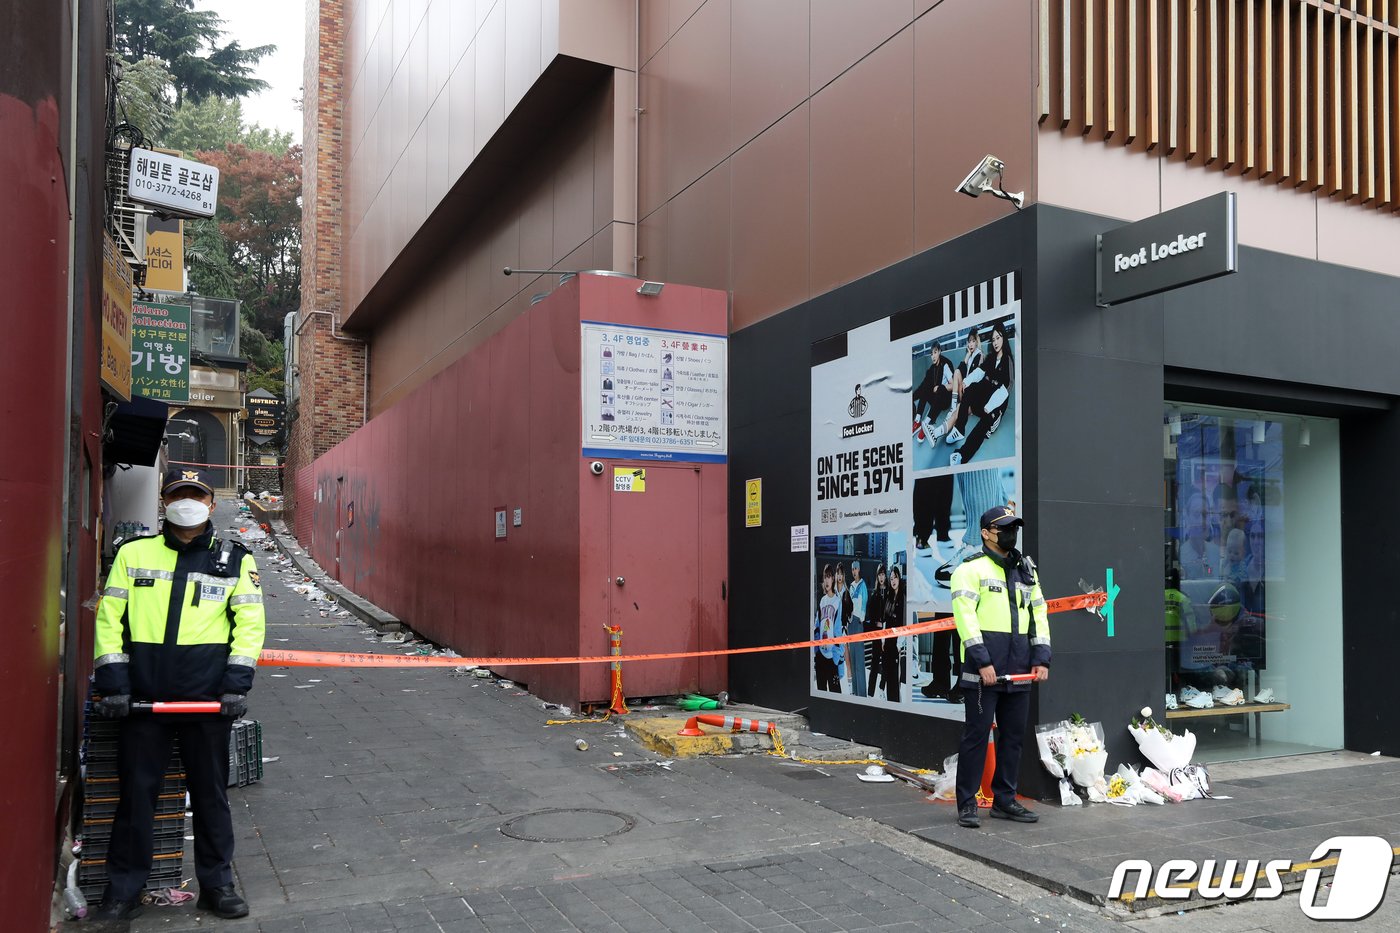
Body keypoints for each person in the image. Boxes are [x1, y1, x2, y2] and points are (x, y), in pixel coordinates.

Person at [90, 468, 266, 921]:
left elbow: (249, 627)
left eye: (195, 495)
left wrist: (234, 687)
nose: (186, 502)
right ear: (165, 502)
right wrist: (114, 685)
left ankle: (217, 884)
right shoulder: (133, 554)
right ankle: (124, 889)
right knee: (136, 798)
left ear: (210, 504)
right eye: (178, 494)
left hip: (207, 704)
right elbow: (109, 620)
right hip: (142, 702)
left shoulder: (234, 559)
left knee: (211, 797)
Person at [951, 506, 1050, 828]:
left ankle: (1005, 801)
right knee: (976, 737)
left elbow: (1039, 615)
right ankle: (966, 803)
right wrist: (983, 662)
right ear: (985, 533)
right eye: (1004, 528)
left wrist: (1041, 659)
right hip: (985, 673)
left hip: (1020, 669)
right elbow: (965, 620)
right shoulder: (970, 570)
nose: (1011, 533)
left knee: (1013, 739)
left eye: (1013, 527)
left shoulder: (1026, 571)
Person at [949, 320, 1013, 466]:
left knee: (985, 423)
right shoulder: (991, 357)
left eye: (998, 338)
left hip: (995, 406)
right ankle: (959, 429)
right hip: (985, 399)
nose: (995, 342)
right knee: (970, 389)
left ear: (1004, 338)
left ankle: (962, 455)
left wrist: (990, 406)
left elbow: (1006, 388)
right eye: (993, 339)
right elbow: (980, 371)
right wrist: (967, 381)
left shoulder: (1007, 360)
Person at [912, 343, 955, 444]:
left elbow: (953, 385)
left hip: (944, 400)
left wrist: (940, 387)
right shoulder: (932, 368)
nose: (933, 356)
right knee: (925, 387)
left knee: (939, 390)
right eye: (931, 354)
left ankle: (926, 424)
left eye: (935, 352)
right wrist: (912, 397)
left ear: (939, 351)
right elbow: (923, 385)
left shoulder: (945, 365)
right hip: (935, 399)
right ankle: (918, 421)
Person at [813, 564, 843, 692]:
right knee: (821, 693)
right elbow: (817, 627)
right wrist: (816, 651)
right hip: (821, 655)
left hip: (832, 657)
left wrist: (836, 658)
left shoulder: (838, 602)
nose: (827, 580)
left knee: (836, 695)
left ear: (833, 579)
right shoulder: (822, 601)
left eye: (829, 577)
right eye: (825, 577)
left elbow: (838, 631)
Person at [880, 565, 907, 702]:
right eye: (891, 579)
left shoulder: (903, 598)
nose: (893, 581)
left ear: (899, 578)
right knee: (888, 674)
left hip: (897, 643)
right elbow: (885, 620)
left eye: (895, 577)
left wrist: (899, 643)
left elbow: (903, 623)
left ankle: (896, 703)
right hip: (888, 643)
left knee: (895, 677)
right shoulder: (889, 598)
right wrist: (883, 640)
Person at [865, 565, 889, 696]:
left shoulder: (890, 593)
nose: (881, 577)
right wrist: (876, 623)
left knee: (886, 663)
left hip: (887, 632)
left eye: (883, 574)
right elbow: (870, 614)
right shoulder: (874, 595)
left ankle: (882, 689)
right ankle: (870, 693)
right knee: (874, 664)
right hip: (876, 634)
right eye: (879, 574)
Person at [846, 561, 869, 697]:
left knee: (859, 659)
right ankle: (855, 691)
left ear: (859, 570)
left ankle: (862, 693)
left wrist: (861, 617)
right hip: (851, 623)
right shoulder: (851, 586)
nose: (854, 571)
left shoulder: (862, 585)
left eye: (856, 568)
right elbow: (848, 603)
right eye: (852, 569)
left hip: (858, 621)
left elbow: (864, 602)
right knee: (853, 657)